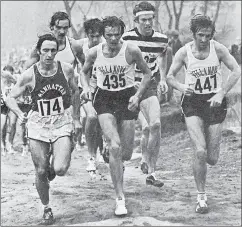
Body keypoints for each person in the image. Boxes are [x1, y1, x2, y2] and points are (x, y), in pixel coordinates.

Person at [166, 14, 241, 214]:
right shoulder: (184, 52)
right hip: (192, 102)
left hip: (215, 102)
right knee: (199, 151)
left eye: (208, 35)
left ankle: (203, 162)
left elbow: (236, 70)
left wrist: (222, 92)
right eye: (200, 35)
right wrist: (181, 86)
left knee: (212, 158)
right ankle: (201, 197)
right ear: (193, 34)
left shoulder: (218, 49)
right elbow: (169, 77)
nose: (204, 39)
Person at [5, 33, 81, 224]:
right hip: (38, 123)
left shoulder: (67, 69)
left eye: (53, 50)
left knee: (61, 168)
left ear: (57, 51)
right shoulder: (30, 74)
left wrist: (77, 118)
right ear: (38, 51)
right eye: (45, 50)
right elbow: (10, 97)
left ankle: (60, 154)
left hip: (61, 121)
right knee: (40, 171)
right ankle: (46, 207)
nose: (49, 54)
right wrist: (20, 114)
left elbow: (76, 91)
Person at [80, 16, 152, 216]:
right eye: (109, 35)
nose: (113, 39)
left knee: (126, 154)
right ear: (103, 35)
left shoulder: (131, 50)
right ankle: (120, 198)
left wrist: (138, 96)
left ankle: (114, 159)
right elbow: (84, 72)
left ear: (122, 33)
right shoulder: (94, 52)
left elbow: (147, 74)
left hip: (126, 98)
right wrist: (86, 88)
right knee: (115, 146)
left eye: (117, 34)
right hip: (104, 99)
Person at [122, 1, 168, 187]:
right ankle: (141, 159)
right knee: (146, 128)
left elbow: (163, 56)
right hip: (130, 87)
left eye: (150, 19)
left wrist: (163, 78)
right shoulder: (126, 39)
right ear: (135, 20)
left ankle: (151, 171)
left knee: (155, 124)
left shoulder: (161, 39)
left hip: (149, 85)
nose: (148, 23)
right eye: (143, 20)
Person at [77, 18, 105, 173]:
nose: (95, 39)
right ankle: (91, 156)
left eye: (98, 36)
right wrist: (84, 87)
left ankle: (101, 150)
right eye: (91, 35)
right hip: (86, 87)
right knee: (91, 117)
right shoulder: (80, 47)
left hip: (103, 89)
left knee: (101, 123)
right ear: (86, 34)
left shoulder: (107, 46)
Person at [1, 70, 16, 156]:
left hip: (12, 105)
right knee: (2, 126)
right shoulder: (2, 83)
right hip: (3, 106)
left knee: (12, 124)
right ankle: (2, 145)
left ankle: (9, 144)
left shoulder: (14, 82)